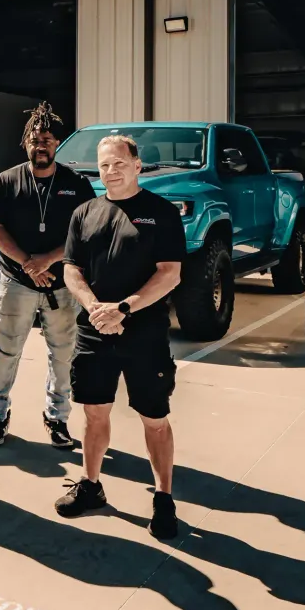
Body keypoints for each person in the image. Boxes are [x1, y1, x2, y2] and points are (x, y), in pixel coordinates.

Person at [57, 134, 185, 539]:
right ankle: (91, 485)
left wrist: (124, 308)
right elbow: (71, 270)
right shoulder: (85, 213)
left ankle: (164, 498)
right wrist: (96, 308)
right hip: (94, 331)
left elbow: (170, 274)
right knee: (94, 413)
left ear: (137, 165)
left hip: (143, 333)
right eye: (103, 165)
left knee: (155, 419)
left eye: (118, 164)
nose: (109, 172)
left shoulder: (161, 213)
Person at [0, 103, 94, 450]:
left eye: (46, 138)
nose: (39, 144)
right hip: (16, 280)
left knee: (63, 353)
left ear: (57, 143)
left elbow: (85, 231)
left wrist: (48, 260)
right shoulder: (7, 180)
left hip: (61, 285)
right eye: (34, 138)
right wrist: (29, 262)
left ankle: (57, 418)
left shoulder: (76, 184)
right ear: (25, 143)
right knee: (6, 349)